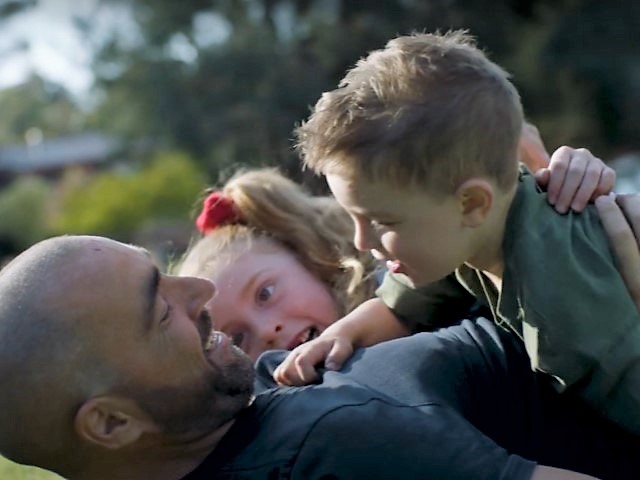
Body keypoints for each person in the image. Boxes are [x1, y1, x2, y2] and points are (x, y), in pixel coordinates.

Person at [1, 225, 640, 480]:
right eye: (160, 306)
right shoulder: (331, 451)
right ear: (111, 424)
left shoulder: (211, 400)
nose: (200, 291)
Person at [276, 31, 638, 435]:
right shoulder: (477, 233)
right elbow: (405, 301)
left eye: (382, 222)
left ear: (471, 204)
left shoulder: (558, 298)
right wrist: (342, 334)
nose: (362, 242)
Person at [178, 143, 613, 361]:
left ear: (308, 257)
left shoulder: (421, 265)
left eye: (266, 293)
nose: (268, 331)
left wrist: (568, 176)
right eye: (237, 338)